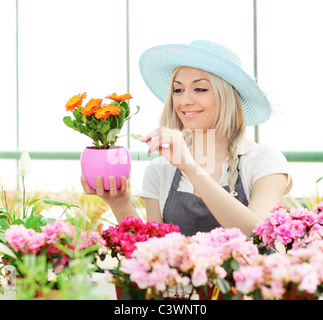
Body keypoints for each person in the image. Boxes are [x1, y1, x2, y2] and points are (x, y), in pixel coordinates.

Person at [81, 40, 292, 237]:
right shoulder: (159, 171)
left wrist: (191, 168)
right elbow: (152, 253)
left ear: (227, 96)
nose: (184, 100)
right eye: (178, 90)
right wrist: (119, 203)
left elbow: (257, 236)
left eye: (200, 89)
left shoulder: (264, 161)